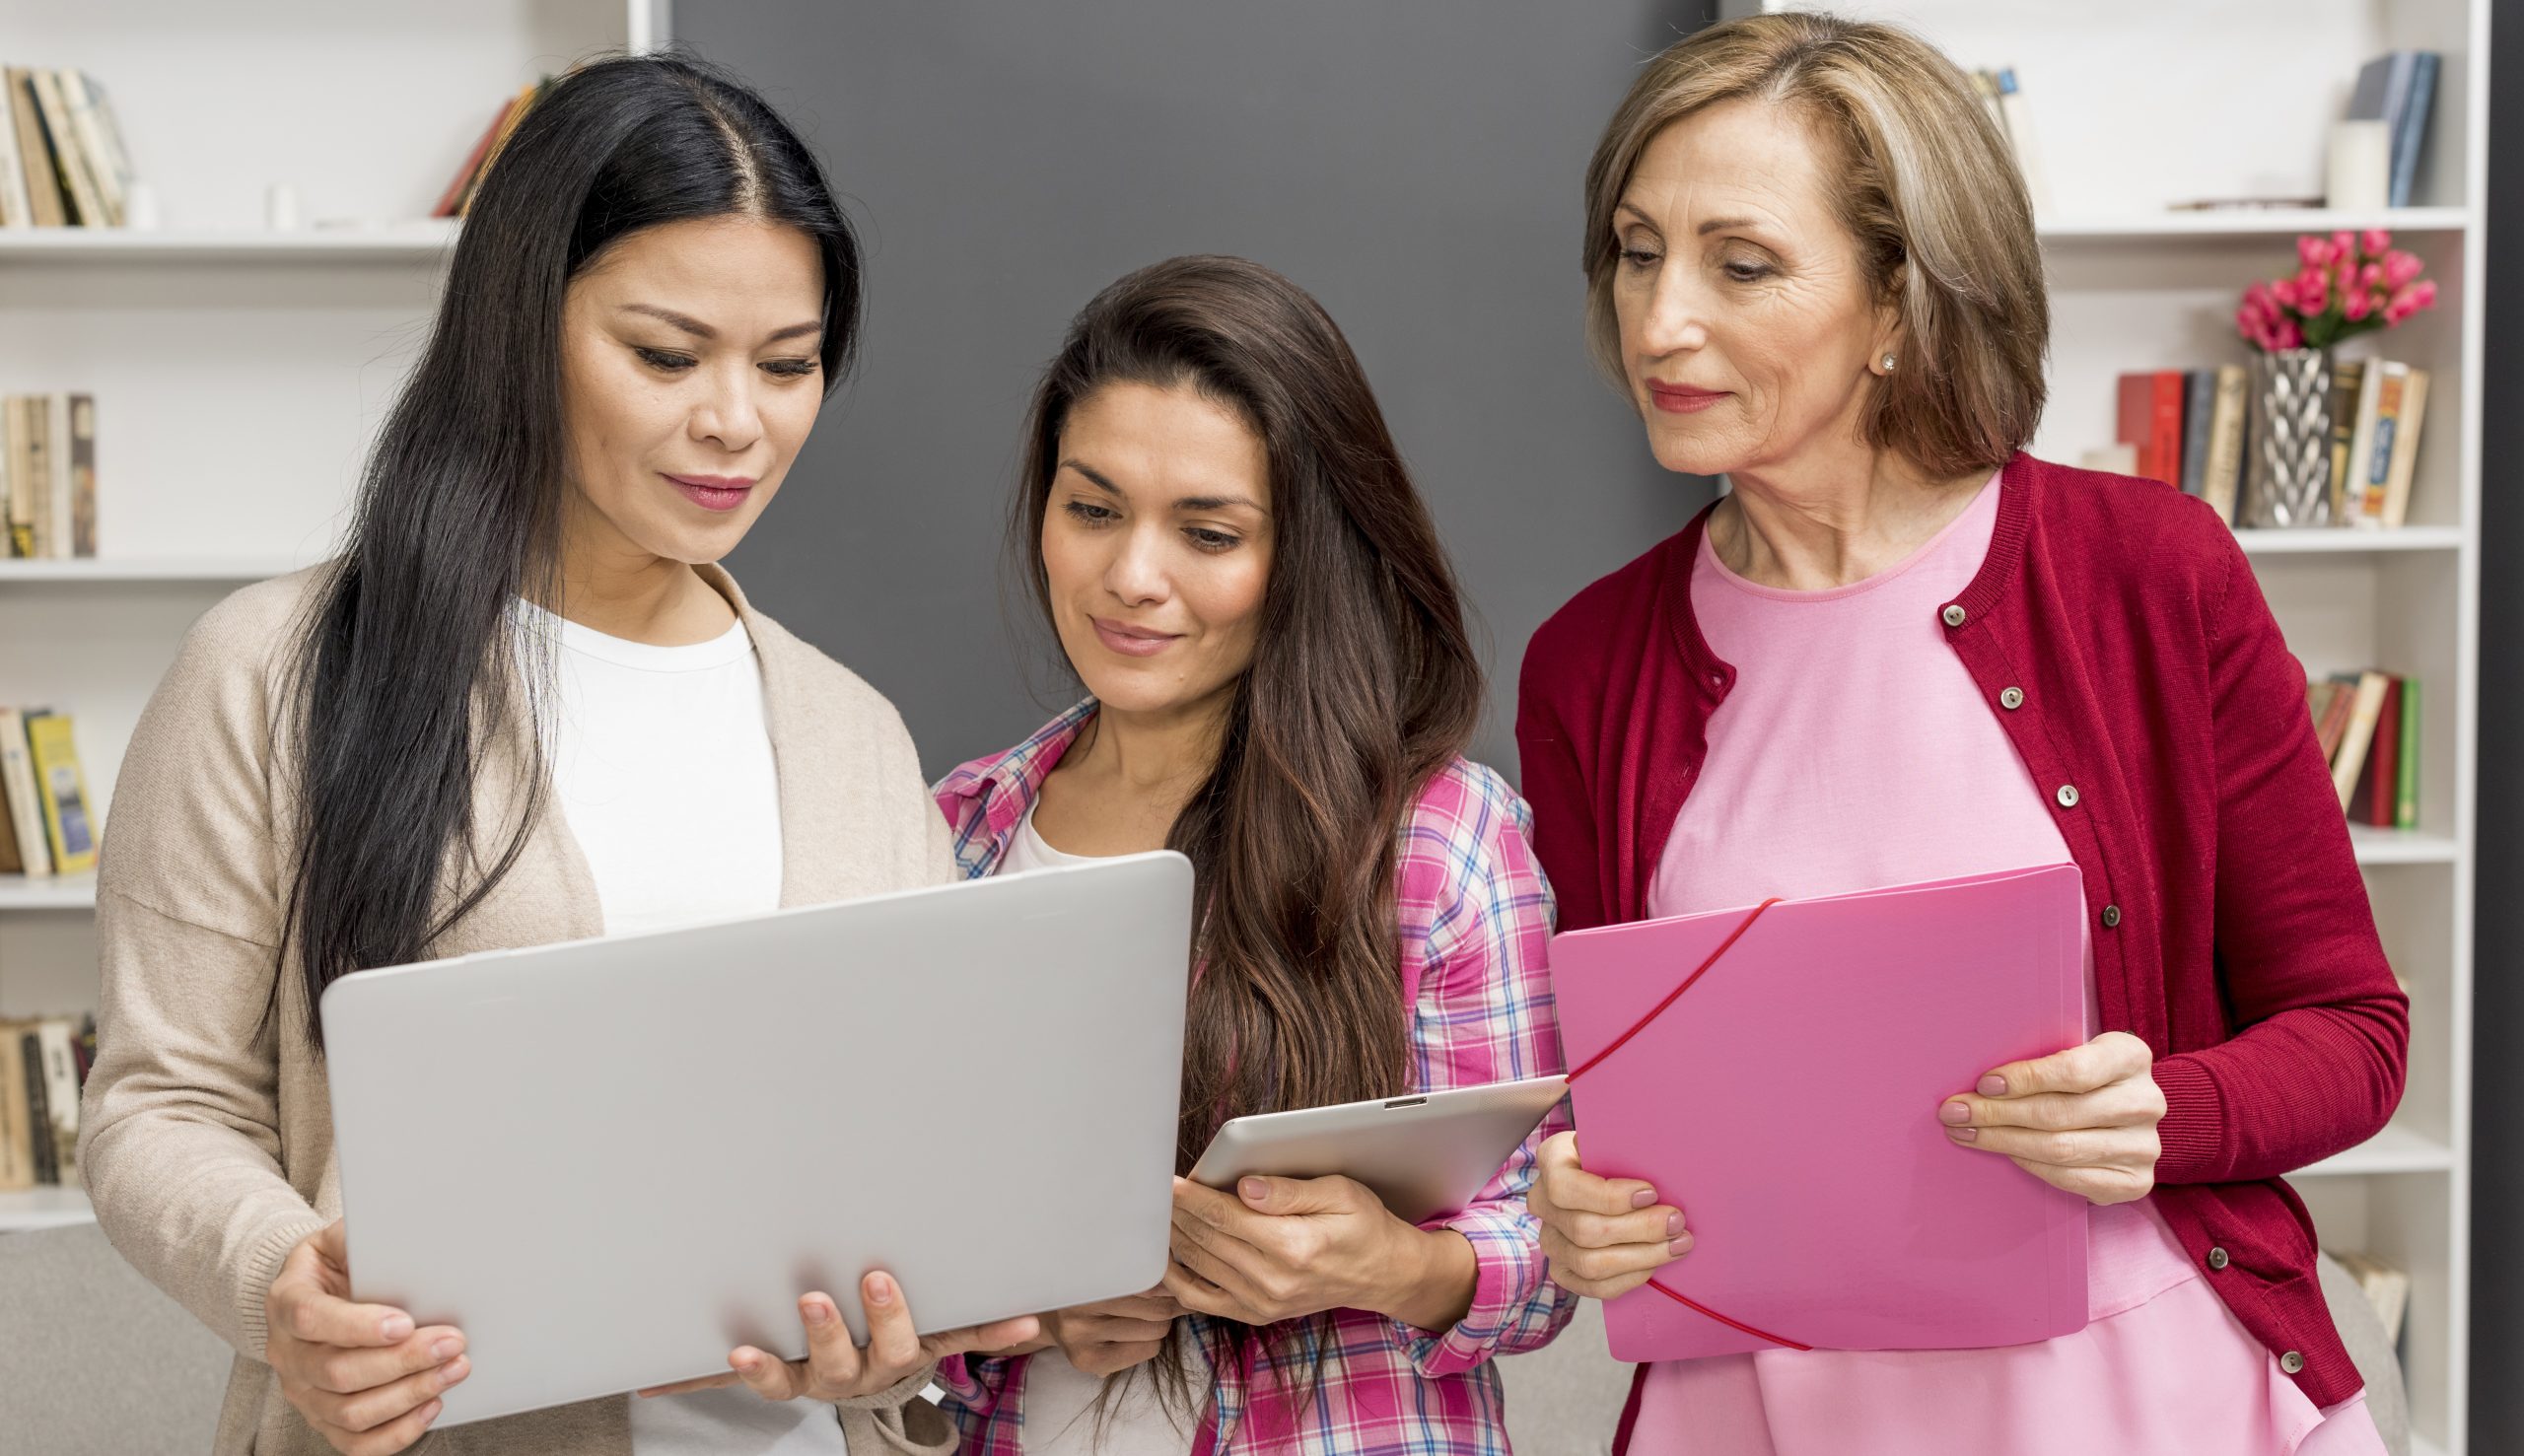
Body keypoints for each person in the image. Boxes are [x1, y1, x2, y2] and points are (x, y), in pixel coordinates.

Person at [77, 54, 1031, 1456]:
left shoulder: (852, 733)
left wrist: (905, 1333)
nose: (737, 422)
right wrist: (282, 1282)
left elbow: (898, 1149)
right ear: (522, 328)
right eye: (665, 354)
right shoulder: (275, 670)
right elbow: (160, 1099)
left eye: (789, 363)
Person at [1514, 14, 2406, 1455]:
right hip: (1756, 1407)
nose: (1659, 318)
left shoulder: (2151, 572)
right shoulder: (1588, 664)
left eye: (1741, 265)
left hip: (2127, 1396)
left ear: (1897, 307)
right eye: (1635, 250)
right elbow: (1609, 1094)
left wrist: (2166, 1110)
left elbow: (2355, 1032)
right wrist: (1575, 1198)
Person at [928, 255, 1571, 1454]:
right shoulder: (960, 830)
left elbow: (1546, 1255)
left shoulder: (1432, 840)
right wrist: (1025, 1314)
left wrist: (1395, 1264)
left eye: (1207, 532)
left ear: (1303, 555)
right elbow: (900, 1252)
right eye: (1091, 508)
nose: (1131, 577)